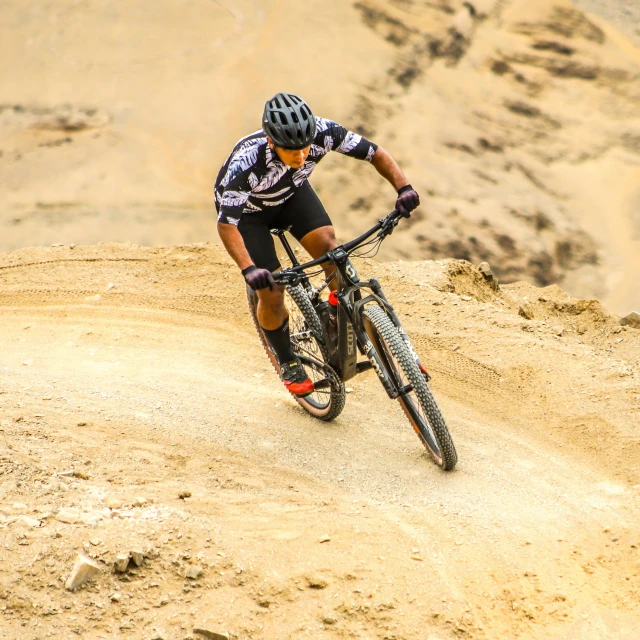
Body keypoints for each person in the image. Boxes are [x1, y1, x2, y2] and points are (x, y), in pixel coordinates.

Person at [215, 92, 420, 397]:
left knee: (331, 251)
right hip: (249, 215)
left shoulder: (325, 132)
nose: (300, 157)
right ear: (271, 143)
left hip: (292, 195)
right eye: (290, 151)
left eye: (305, 148)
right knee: (270, 291)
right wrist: (248, 269)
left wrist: (403, 187)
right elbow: (226, 225)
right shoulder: (247, 162)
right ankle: (287, 361)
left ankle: (340, 317)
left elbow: (375, 153)